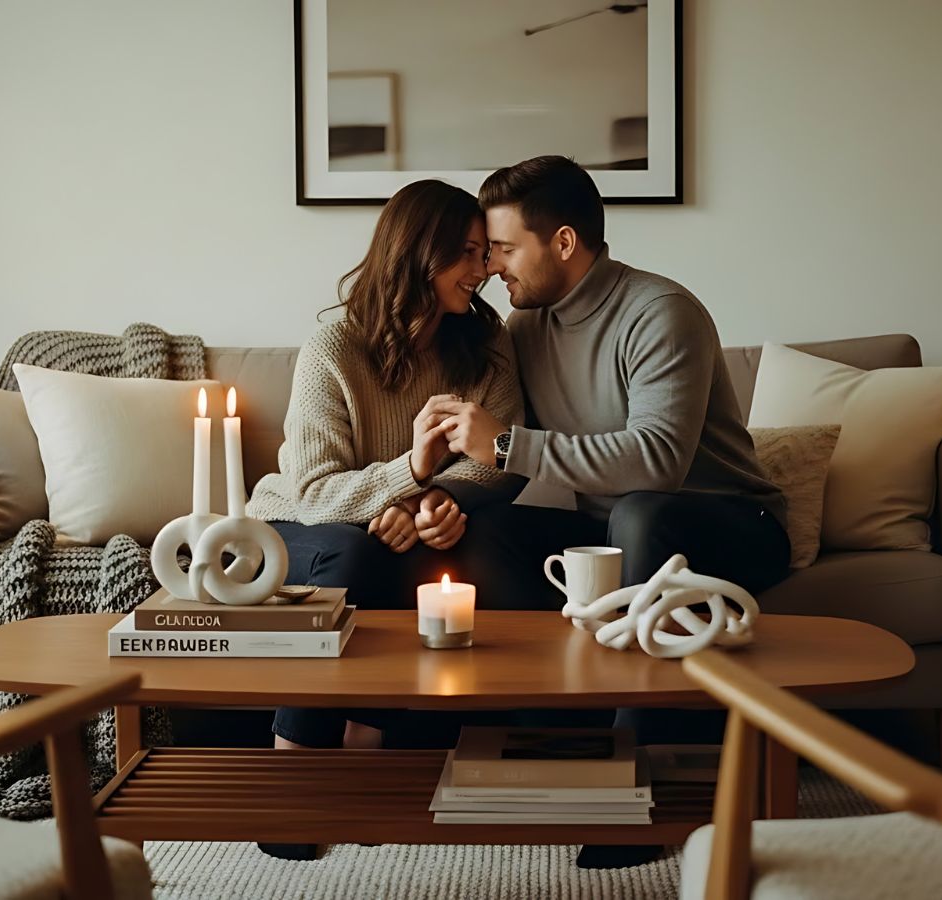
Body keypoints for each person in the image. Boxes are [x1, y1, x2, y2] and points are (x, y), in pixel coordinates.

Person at [432, 156, 792, 868]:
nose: (493, 267)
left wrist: (506, 445)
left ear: (563, 242)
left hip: (728, 524)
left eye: (504, 248)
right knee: (494, 530)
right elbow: (511, 467)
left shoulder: (661, 312)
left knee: (642, 516)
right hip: (615, 527)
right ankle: (552, 745)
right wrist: (438, 500)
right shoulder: (525, 328)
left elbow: (657, 462)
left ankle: (633, 787)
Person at [245, 179, 522, 859]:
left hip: (389, 524)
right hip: (300, 529)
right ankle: (296, 772)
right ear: (415, 253)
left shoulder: (485, 343)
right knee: (352, 554)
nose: (483, 270)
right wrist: (411, 479)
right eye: (466, 253)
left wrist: (436, 501)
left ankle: (365, 760)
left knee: (434, 556)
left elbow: (504, 460)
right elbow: (313, 492)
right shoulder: (333, 345)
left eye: (486, 253)